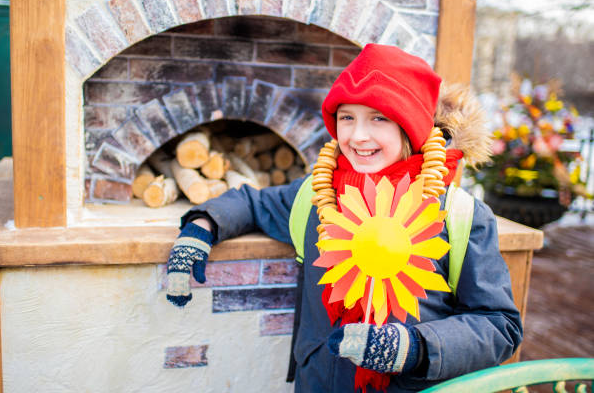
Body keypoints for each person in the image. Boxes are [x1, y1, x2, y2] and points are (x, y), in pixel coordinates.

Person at [165, 44, 523, 392]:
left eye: (379, 118)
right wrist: (201, 227)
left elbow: (499, 326)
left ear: (411, 126)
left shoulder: (460, 216)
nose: (357, 135)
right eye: (347, 117)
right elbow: (253, 203)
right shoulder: (318, 196)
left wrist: (414, 347)